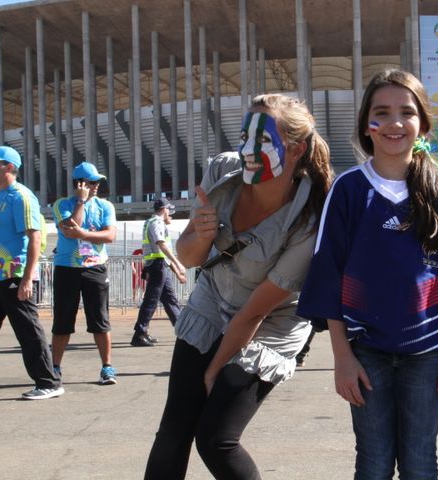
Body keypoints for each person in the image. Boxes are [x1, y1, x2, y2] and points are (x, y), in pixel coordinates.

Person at [296, 69, 438, 479]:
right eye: (381, 113)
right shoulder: (349, 190)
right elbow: (329, 277)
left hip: (427, 352)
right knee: (372, 462)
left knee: (420, 460)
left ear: (422, 123)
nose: (393, 123)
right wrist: (342, 358)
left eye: (406, 113)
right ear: (365, 125)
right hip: (365, 351)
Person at [144, 93, 333, 479]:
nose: (247, 149)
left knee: (216, 438)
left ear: (295, 150)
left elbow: (256, 311)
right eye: (244, 135)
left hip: (271, 322)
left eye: (262, 140)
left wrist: (214, 369)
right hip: (214, 301)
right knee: (175, 429)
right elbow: (191, 256)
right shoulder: (222, 172)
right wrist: (201, 231)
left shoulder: (309, 216)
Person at [0, 145, 63, 401]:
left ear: (9, 167)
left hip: (14, 275)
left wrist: (27, 278)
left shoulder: (21, 196)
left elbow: (34, 238)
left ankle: (49, 382)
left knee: (28, 331)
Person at [50, 162, 118, 385]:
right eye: (91, 182)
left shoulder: (105, 206)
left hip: (95, 268)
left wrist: (83, 234)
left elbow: (110, 236)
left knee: (100, 319)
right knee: (62, 321)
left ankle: (107, 367)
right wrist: (80, 201)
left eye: (98, 182)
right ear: (79, 184)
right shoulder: (62, 204)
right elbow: (70, 230)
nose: (96, 186)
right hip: (67, 268)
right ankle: (55, 367)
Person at [131, 197, 186, 347]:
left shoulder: (152, 222)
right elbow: (160, 244)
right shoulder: (156, 223)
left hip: (159, 265)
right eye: (170, 210)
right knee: (151, 300)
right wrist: (178, 264)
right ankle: (139, 333)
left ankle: (184, 332)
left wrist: (176, 271)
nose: (171, 214)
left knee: (170, 300)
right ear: (164, 209)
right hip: (157, 266)